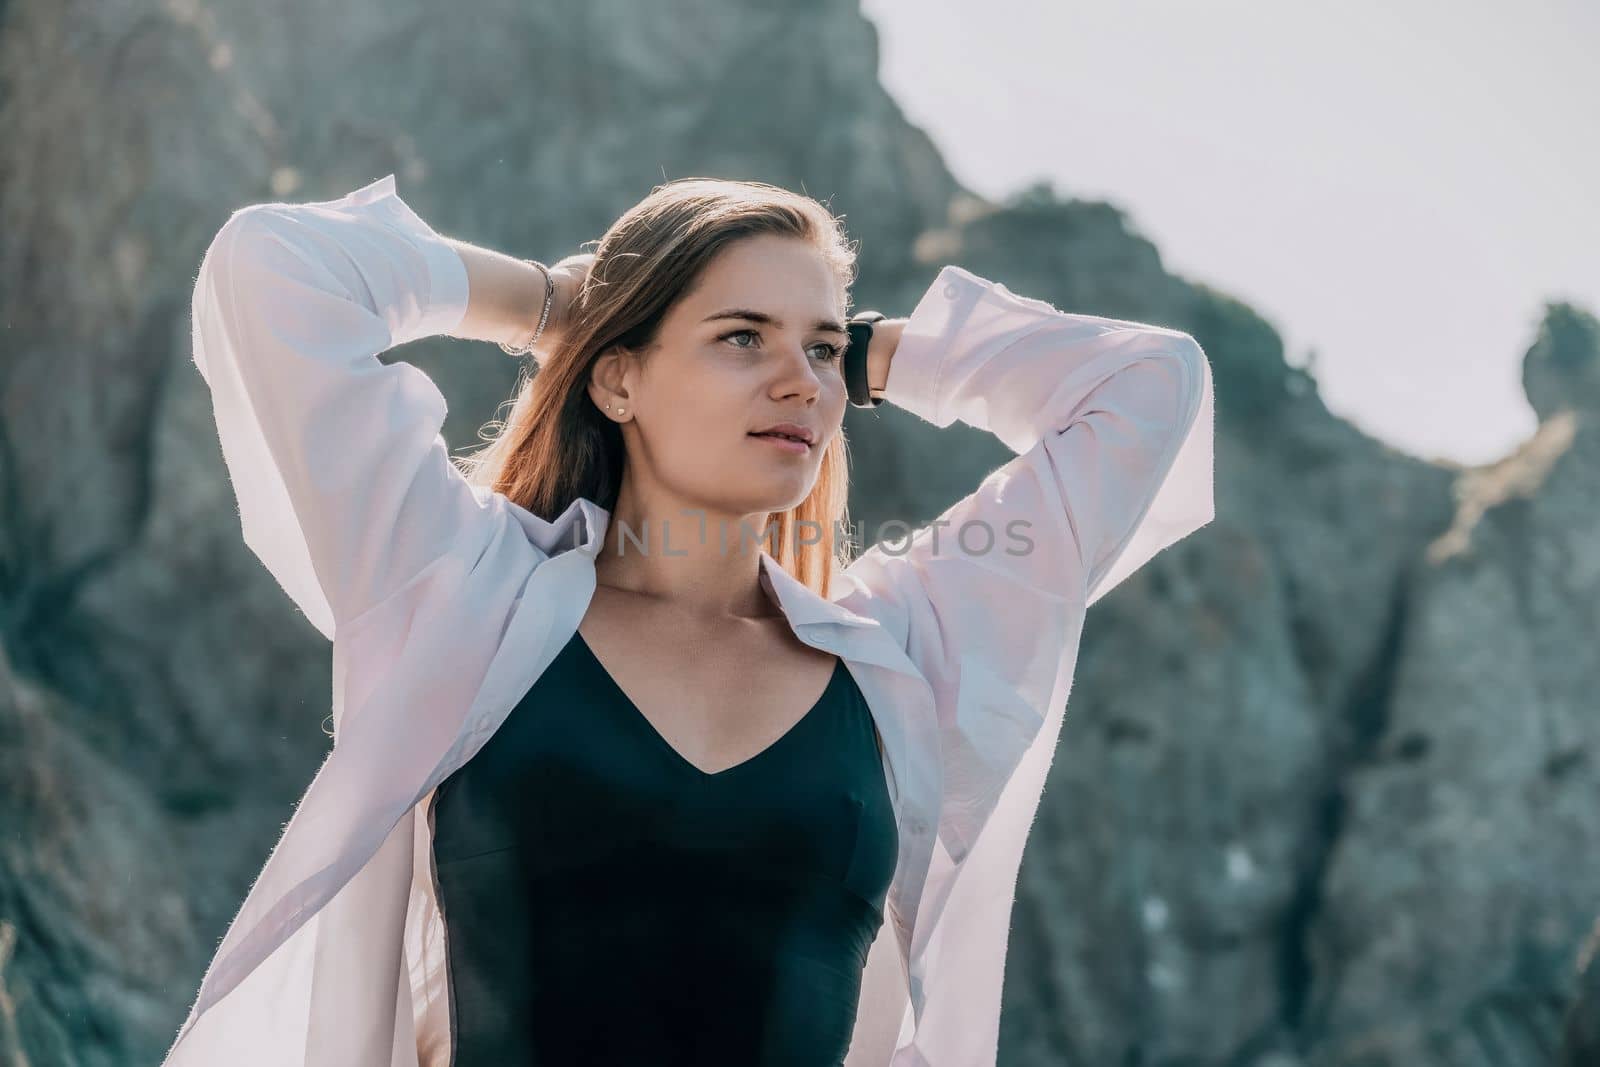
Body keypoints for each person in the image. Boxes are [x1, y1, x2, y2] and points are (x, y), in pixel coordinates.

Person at [163, 171, 1215, 1066]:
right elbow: (275, 265)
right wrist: (552, 308)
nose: (799, 381)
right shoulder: (464, 587)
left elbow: (1146, 384)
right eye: (740, 336)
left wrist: (878, 351)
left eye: (820, 351)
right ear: (618, 378)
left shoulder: (902, 652)